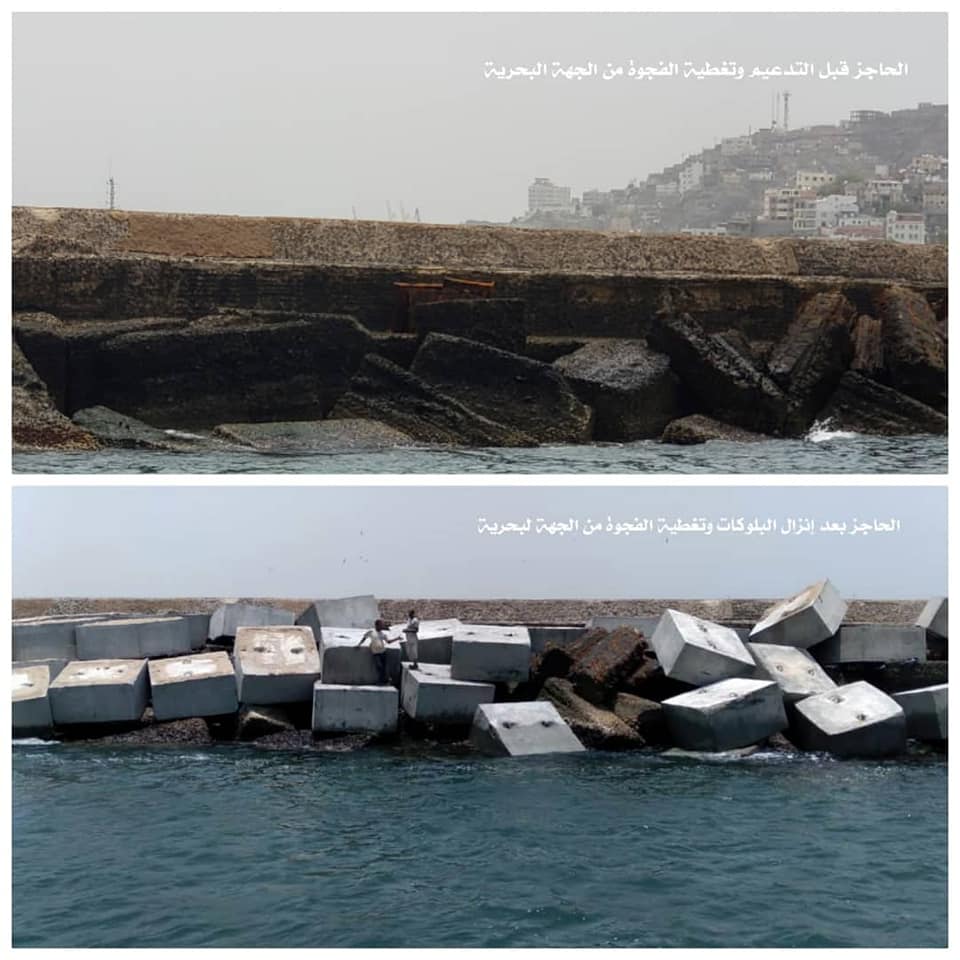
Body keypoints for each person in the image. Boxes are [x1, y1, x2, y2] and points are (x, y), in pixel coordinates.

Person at [357, 618, 394, 685]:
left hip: (383, 652)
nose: (382, 626)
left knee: (384, 668)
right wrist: (359, 644)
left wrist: (397, 638)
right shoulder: (371, 632)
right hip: (376, 653)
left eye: (382, 625)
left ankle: (384, 681)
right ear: (376, 625)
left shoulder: (382, 634)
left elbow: (388, 641)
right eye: (381, 625)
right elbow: (364, 637)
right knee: (379, 666)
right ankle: (383, 680)